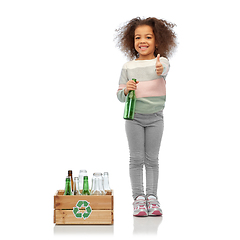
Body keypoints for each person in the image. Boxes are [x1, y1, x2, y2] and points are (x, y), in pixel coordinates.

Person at [115, 17, 177, 217]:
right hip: (133, 117)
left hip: (156, 118)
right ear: (131, 41)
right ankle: (138, 199)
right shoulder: (128, 67)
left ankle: (152, 197)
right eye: (138, 38)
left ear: (157, 40)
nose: (142, 41)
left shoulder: (162, 62)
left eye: (148, 37)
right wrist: (126, 90)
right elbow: (119, 95)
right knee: (136, 159)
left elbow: (164, 70)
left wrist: (160, 69)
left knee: (152, 160)